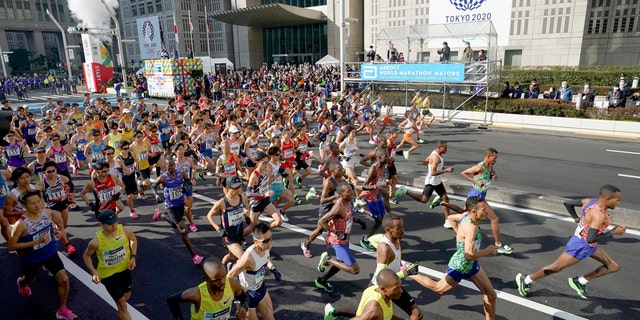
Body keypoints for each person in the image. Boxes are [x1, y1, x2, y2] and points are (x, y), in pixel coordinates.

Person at [516, 184, 626, 300]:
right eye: (617, 200)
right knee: (555, 268)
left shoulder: (589, 201)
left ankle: (580, 281)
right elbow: (590, 238)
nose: (618, 203)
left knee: (613, 267)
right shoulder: (598, 215)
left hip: (590, 245)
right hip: (581, 245)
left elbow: (568, 204)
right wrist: (613, 233)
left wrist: (576, 218)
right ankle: (526, 279)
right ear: (607, 199)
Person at [408, 196, 498, 320]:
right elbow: (468, 255)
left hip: (471, 264)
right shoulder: (471, 228)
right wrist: (488, 250)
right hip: (460, 265)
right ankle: (409, 272)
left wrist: (460, 235)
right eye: (483, 210)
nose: (486, 212)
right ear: (474, 212)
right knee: (439, 288)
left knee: (491, 295)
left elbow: (450, 218)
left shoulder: (465, 216)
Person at [8, 190, 78, 320]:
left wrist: (56, 232)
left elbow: (50, 229)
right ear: (24, 206)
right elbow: (11, 246)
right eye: (32, 204)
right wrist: (35, 242)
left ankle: (62, 309)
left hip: (50, 252)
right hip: (31, 258)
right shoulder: (21, 224)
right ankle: (22, 283)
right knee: (31, 279)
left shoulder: (46, 213)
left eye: (39, 201)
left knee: (64, 279)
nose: (37, 205)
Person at [82, 210, 138, 320]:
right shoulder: (95, 242)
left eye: (115, 222)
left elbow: (133, 240)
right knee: (122, 304)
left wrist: (133, 257)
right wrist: (94, 272)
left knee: (126, 297)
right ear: (101, 224)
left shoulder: (125, 231)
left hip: (124, 269)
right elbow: (86, 256)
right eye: (110, 224)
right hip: (108, 275)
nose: (114, 226)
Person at [367, 213, 423, 319]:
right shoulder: (384, 248)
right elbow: (380, 276)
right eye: (399, 228)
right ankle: (336, 312)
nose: (403, 230)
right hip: (380, 289)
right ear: (388, 230)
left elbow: (373, 239)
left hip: (393, 286)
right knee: (375, 316)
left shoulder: (396, 238)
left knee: (417, 315)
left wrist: (402, 264)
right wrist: (405, 273)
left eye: (402, 226)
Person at [150, 158, 204, 264]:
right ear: (165, 167)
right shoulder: (163, 178)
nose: (170, 168)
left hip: (180, 204)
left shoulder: (181, 173)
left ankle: (160, 214)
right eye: (168, 166)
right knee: (184, 231)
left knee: (175, 226)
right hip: (171, 207)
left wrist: (186, 187)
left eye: (172, 165)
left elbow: (188, 181)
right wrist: (156, 195)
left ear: (175, 165)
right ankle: (194, 256)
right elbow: (153, 185)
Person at [460, 148, 513, 254]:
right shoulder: (479, 167)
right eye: (495, 158)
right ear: (488, 157)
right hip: (476, 196)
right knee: (494, 219)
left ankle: (453, 222)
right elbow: (463, 173)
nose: (496, 160)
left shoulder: (490, 166)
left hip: (481, 196)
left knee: (467, 215)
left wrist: (494, 175)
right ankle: (498, 245)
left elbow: (492, 172)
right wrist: (476, 181)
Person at [394, 140, 454, 228]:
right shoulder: (436, 157)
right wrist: (446, 170)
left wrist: (440, 167)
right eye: (444, 148)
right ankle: (405, 190)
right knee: (423, 200)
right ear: (439, 148)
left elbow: (426, 161)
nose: (446, 150)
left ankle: (447, 221)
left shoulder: (436, 154)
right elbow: (432, 173)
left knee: (445, 199)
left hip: (436, 180)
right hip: (431, 181)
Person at [167, 256, 249, 320]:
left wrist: (244, 306)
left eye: (224, 276)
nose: (223, 282)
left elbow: (245, 297)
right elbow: (171, 300)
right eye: (216, 280)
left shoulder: (232, 284)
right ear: (205, 279)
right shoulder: (197, 295)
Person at [228, 222, 280, 320]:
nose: (269, 243)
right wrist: (239, 296)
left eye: (270, 238)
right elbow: (229, 276)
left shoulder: (266, 246)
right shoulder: (248, 258)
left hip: (260, 288)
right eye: (266, 241)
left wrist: (273, 268)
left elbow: (267, 258)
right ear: (255, 241)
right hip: (248, 294)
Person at [315, 182, 361, 292]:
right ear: (340, 194)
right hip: (337, 240)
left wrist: (359, 221)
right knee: (354, 270)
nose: (351, 193)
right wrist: (336, 231)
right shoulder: (337, 207)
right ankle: (327, 259)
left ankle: (322, 281)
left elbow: (348, 216)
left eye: (351, 190)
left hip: (345, 238)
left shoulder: (349, 201)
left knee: (340, 263)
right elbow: (322, 221)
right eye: (348, 192)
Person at [325, 269, 404, 320]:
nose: (401, 291)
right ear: (383, 289)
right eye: (396, 289)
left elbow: (388, 315)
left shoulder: (376, 289)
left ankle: (332, 312)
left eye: (400, 287)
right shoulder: (373, 311)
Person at [207, 176, 251, 267]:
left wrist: (247, 215)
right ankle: (235, 277)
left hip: (239, 234)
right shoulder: (222, 202)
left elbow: (247, 209)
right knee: (244, 259)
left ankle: (223, 267)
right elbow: (209, 215)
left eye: (239, 187)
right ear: (227, 187)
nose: (238, 190)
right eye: (235, 188)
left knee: (231, 256)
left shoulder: (243, 198)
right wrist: (218, 229)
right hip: (228, 237)